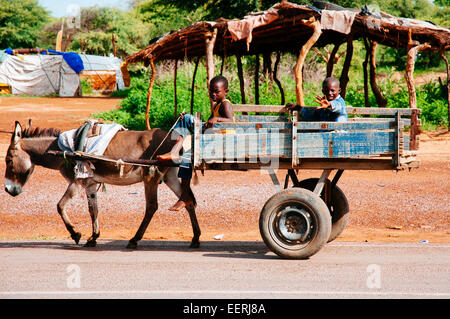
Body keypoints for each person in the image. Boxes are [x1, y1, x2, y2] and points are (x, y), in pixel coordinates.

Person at [157, 75, 234, 211]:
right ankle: (175, 151)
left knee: (187, 124)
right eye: (211, 91)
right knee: (185, 120)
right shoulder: (217, 106)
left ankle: (184, 197)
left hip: (221, 144)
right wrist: (212, 119)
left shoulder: (225, 104)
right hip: (213, 139)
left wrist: (217, 119)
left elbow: (231, 122)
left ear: (226, 92)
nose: (213, 94)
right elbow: (207, 125)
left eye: (217, 91)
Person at [283, 76, 347, 122]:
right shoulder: (323, 106)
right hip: (325, 136)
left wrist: (329, 105)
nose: (330, 93)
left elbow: (337, 106)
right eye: (327, 90)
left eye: (333, 90)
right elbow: (312, 115)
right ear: (323, 91)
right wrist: (299, 108)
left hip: (338, 136)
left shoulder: (340, 102)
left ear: (339, 91)